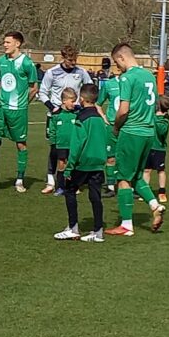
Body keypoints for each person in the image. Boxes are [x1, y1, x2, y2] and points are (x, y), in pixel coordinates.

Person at [104, 44, 166, 237]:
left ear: (122, 58)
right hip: (149, 132)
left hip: (131, 132)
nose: (117, 67)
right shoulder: (149, 76)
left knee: (123, 178)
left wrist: (115, 127)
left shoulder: (127, 78)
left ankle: (126, 225)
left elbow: (123, 109)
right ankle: (155, 205)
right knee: (137, 175)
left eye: (116, 62)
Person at [53, 84, 108, 243]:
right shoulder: (99, 118)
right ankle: (98, 231)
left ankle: (73, 228)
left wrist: (69, 168)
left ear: (82, 99)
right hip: (98, 163)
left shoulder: (81, 118)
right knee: (95, 196)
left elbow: (76, 145)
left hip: (83, 163)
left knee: (69, 190)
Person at [38, 45, 92, 194]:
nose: (73, 63)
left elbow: (89, 89)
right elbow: (42, 92)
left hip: (74, 116)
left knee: (74, 149)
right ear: (63, 58)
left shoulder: (81, 72)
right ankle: (51, 181)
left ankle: (73, 181)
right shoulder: (52, 72)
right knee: (55, 150)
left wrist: (82, 105)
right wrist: (51, 107)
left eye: (75, 60)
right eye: (70, 60)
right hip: (56, 116)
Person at [0, 31, 38, 192]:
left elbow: (34, 88)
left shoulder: (26, 63)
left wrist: (23, 103)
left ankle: (19, 179)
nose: (4, 45)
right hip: (1, 109)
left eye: (7, 42)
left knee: (20, 144)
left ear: (17, 44)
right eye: (4, 42)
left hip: (18, 111)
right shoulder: (0, 61)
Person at [45, 87, 79, 197]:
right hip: (60, 144)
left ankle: (73, 186)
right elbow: (52, 130)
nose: (74, 104)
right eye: (72, 101)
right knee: (61, 164)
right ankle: (60, 187)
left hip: (73, 145)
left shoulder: (76, 113)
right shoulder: (57, 114)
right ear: (64, 100)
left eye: (75, 101)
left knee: (72, 164)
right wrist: (53, 143)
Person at [98, 65, 123, 197]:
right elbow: (97, 103)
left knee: (126, 157)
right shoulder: (109, 85)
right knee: (111, 157)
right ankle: (111, 186)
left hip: (127, 126)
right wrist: (103, 117)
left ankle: (127, 186)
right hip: (112, 126)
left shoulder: (132, 82)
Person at [143, 96, 169, 204]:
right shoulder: (151, 116)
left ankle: (162, 191)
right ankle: (145, 191)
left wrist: (158, 118)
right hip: (148, 147)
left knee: (161, 170)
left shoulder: (164, 120)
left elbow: (161, 131)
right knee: (146, 170)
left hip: (159, 148)